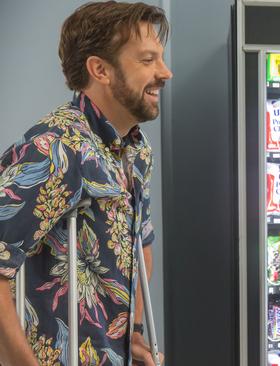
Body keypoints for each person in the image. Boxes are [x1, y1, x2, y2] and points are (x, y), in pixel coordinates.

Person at [0, 2, 172, 365]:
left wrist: (134, 331)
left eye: (161, 58)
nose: (165, 72)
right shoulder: (55, 147)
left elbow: (142, 242)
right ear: (100, 70)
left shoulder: (136, 150)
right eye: (147, 60)